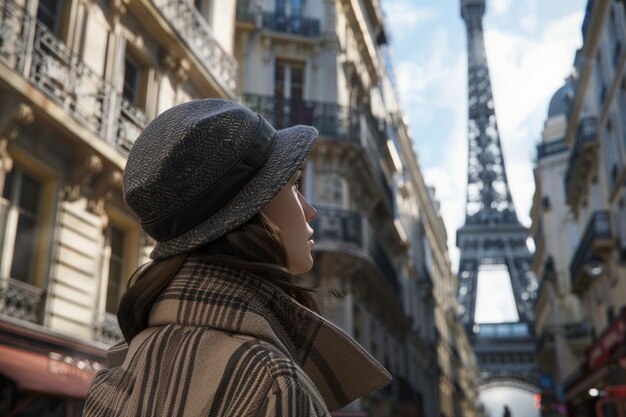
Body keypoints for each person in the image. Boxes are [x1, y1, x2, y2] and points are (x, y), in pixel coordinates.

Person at [84, 99, 391, 417]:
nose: (310, 210)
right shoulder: (272, 383)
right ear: (249, 214)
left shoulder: (120, 374)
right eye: (293, 185)